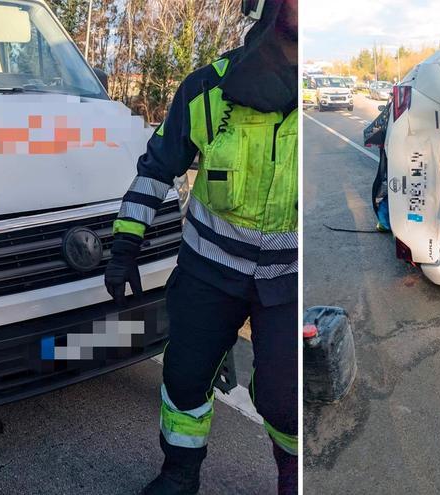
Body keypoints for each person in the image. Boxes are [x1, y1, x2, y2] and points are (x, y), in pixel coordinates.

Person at [103, 1, 298, 493]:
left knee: (285, 401)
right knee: (185, 378)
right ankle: (179, 472)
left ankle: (294, 474)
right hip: (207, 272)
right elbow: (155, 170)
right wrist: (125, 245)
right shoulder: (207, 89)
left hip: (290, 281)